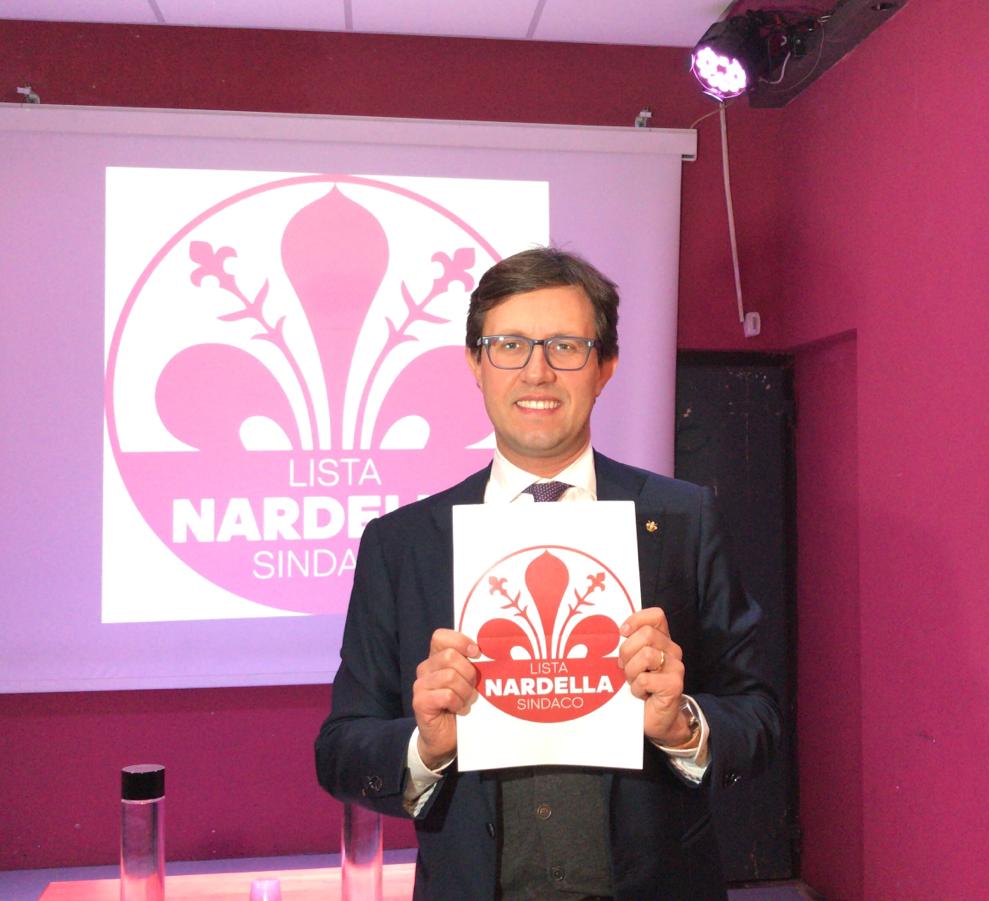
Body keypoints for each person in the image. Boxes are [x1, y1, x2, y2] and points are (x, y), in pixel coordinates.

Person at [315, 247, 780, 900]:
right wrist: (425, 745)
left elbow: (758, 718)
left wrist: (684, 727)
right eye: (509, 345)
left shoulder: (683, 518)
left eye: (566, 346)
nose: (537, 371)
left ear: (605, 366)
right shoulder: (402, 544)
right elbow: (340, 749)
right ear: (475, 362)